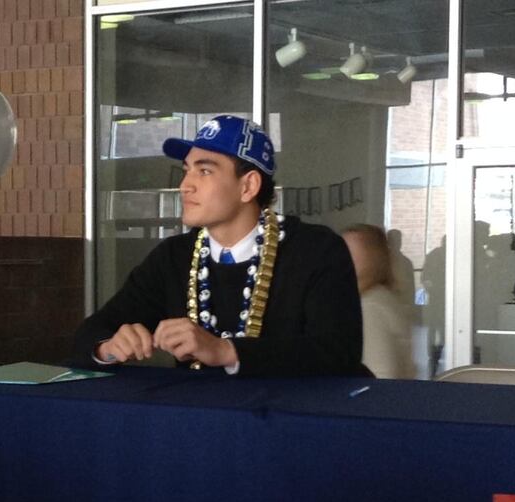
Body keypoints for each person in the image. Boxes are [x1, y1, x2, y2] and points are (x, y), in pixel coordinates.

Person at [73, 115, 364, 376]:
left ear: (248, 186)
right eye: (186, 170)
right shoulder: (173, 257)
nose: (185, 185)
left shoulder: (316, 250)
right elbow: (89, 334)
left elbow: (338, 352)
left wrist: (225, 351)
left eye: (205, 171)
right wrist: (108, 347)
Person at [342, 224, 415, 379]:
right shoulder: (382, 297)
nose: (342, 257)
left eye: (351, 252)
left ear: (371, 256)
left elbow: (381, 373)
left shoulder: (369, 306)